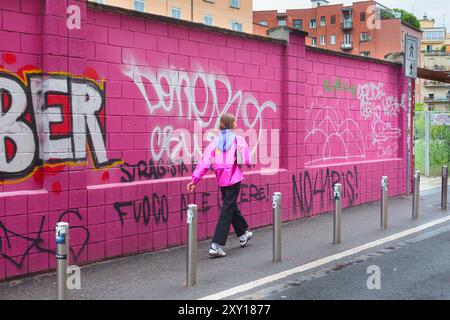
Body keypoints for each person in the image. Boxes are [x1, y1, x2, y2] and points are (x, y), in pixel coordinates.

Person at [186, 113, 253, 258]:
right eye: (235, 121)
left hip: (222, 180)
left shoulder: (215, 142)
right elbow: (247, 160)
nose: (237, 123)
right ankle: (215, 245)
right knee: (227, 210)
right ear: (230, 124)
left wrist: (194, 180)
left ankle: (243, 235)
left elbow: (205, 162)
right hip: (234, 179)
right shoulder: (238, 139)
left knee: (231, 206)